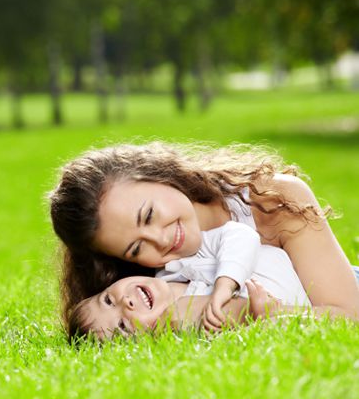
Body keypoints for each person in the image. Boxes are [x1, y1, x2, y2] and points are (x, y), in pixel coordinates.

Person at [49, 142, 359, 334]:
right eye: (136, 248)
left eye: (148, 215)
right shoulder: (162, 290)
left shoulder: (274, 199)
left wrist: (266, 315)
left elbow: (349, 317)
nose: (160, 239)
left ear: (156, 173)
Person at [67, 236, 311, 340]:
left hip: (314, 268)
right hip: (304, 300)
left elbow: (241, 235)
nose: (126, 304)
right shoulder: (183, 325)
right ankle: (267, 315)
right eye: (123, 325)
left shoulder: (176, 261)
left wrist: (225, 284)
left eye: (109, 300)